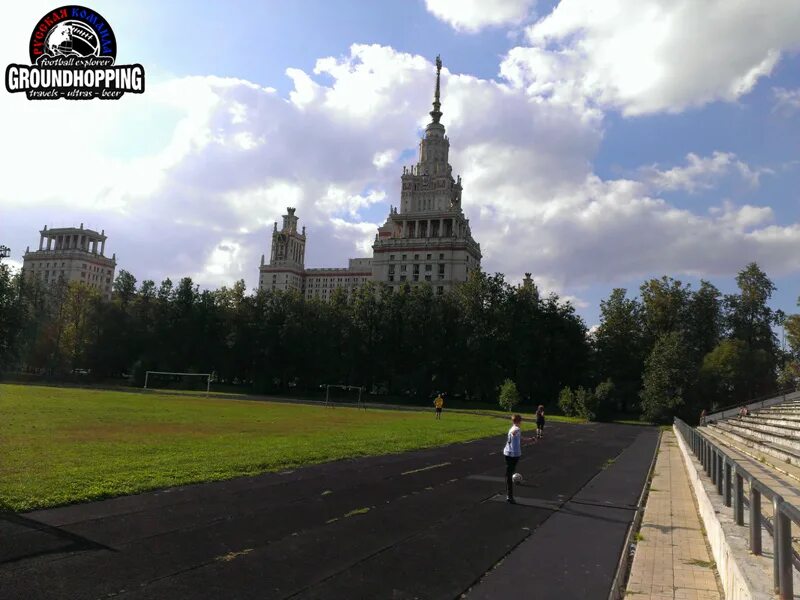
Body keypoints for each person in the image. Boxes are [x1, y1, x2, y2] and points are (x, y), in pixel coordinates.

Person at [503, 414, 532, 504]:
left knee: (510, 471)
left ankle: (510, 481)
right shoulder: (516, 429)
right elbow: (515, 433)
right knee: (509, 473)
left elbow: (520, 438)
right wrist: (514, 433)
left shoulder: (513, 428)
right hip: (513, 454)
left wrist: (530, 439)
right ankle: (510, 496)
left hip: (507, 452)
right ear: (519, 421)